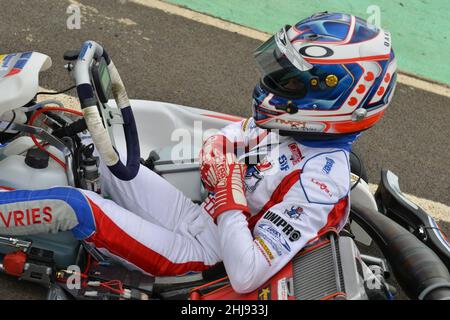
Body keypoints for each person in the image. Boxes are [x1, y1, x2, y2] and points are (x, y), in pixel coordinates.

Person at [0, 12, 397, 294]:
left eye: (291, 81)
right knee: (94, 146)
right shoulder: (287, 126)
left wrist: (229, 194)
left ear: (336, 99)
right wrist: (226, 178)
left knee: (77, 205)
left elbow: (245, 274)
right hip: (196, 217)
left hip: (202, 258)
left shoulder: (320, 183)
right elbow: (220, 140)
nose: (274, 84)